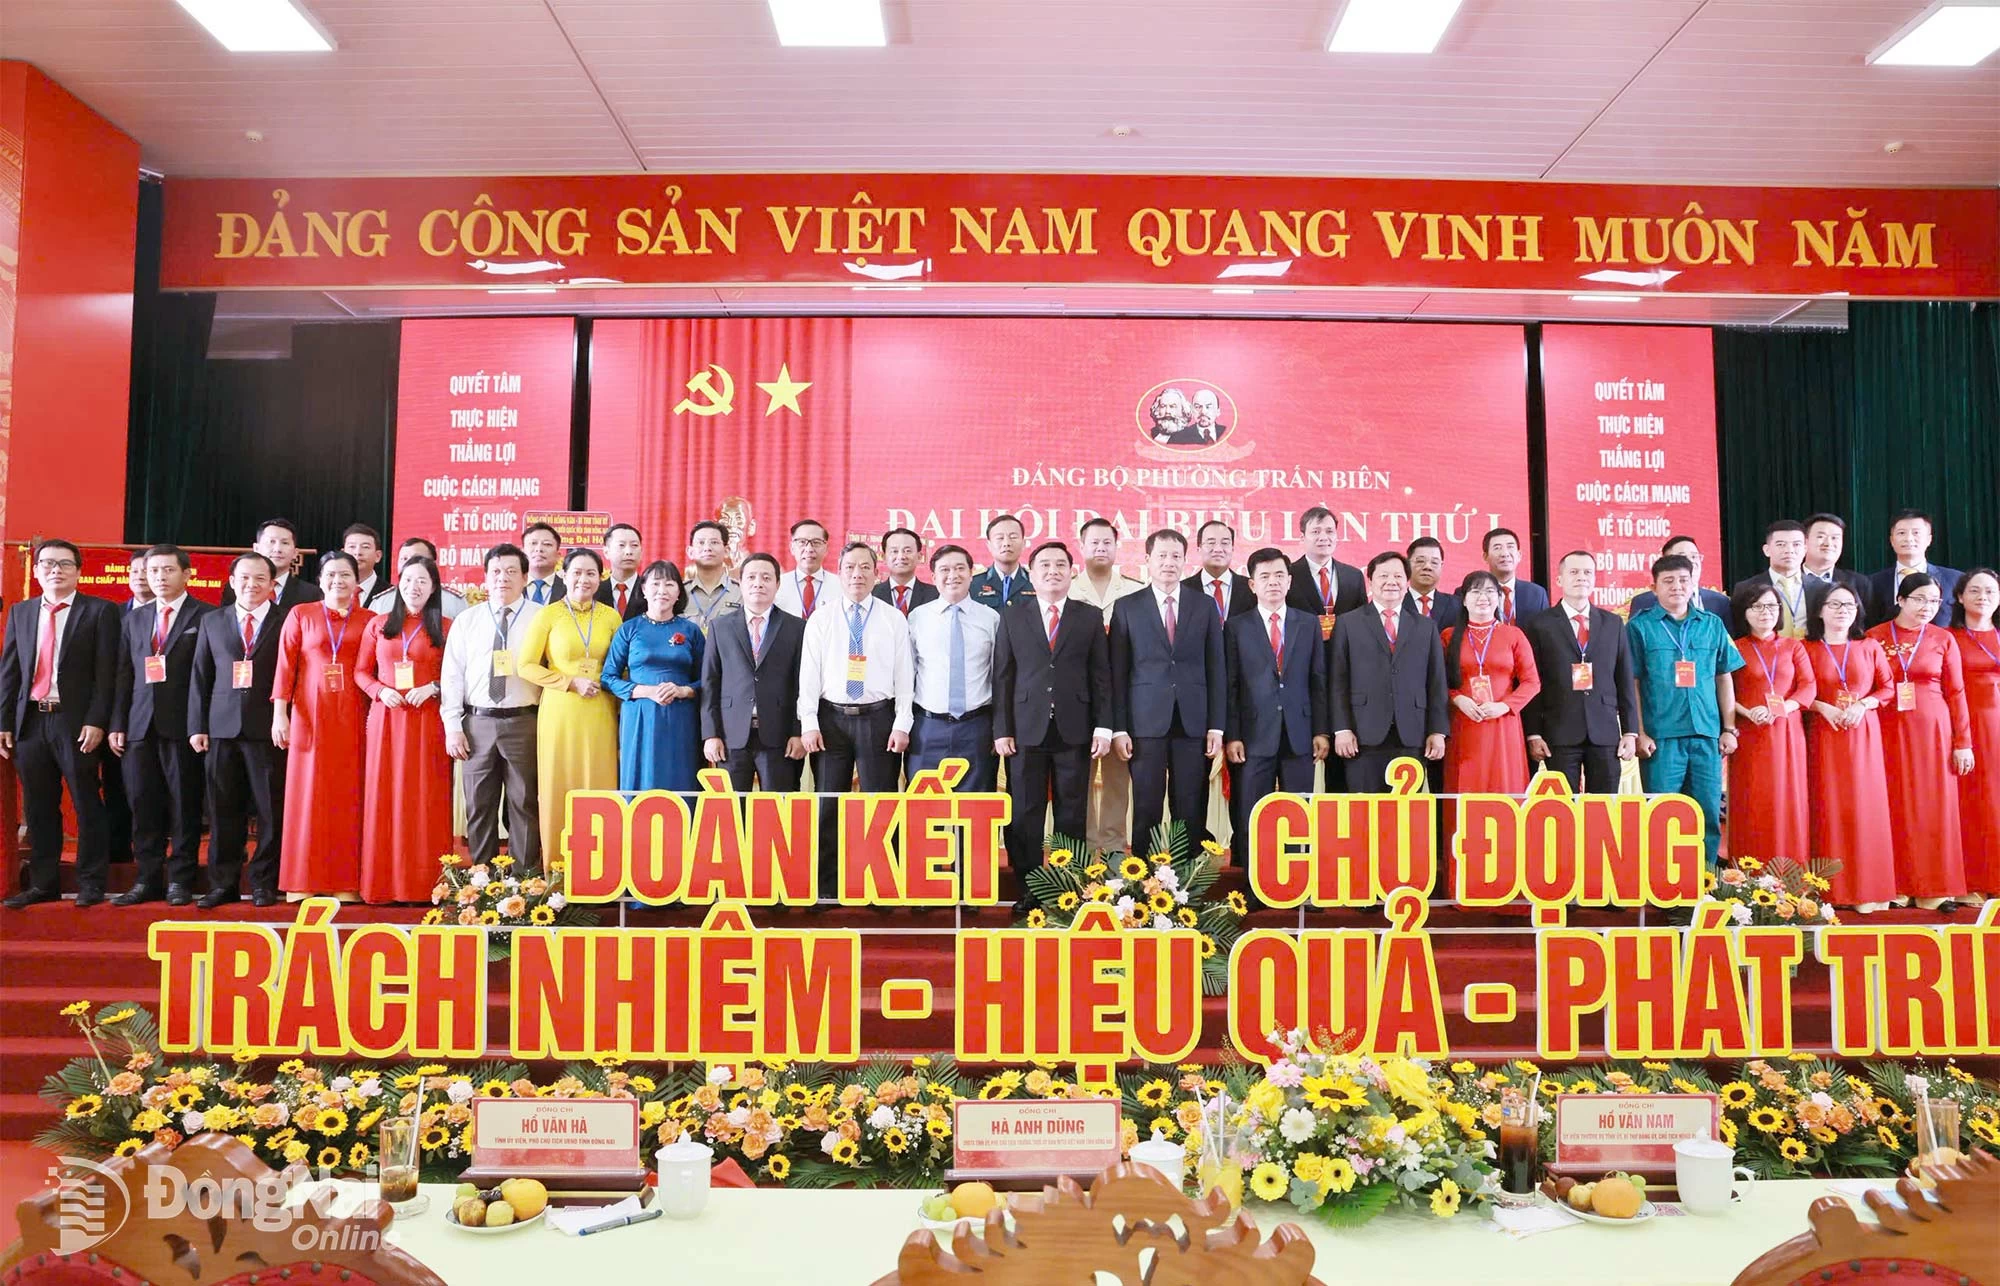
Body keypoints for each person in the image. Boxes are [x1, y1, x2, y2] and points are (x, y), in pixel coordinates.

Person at [0, 539, 119, 909]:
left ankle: (91, 882)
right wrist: (4, 721)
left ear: (79, 571)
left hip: (76, 722)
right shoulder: (21, 612)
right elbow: (10, 671)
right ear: (36, 571)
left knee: (85, 801)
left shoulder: (100, 611)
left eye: (65, 563)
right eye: (48, 563)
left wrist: (97, 720)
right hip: (30, 721)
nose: (56, 570)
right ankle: (44, 883)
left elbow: (107, 673)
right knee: (38, 806)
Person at [993, 540, 1111, 908]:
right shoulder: (1013, 615)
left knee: (1071, 811)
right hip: (1025, 728)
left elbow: (1101, 676)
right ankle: (1029, 888)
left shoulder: (1088, 616)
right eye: (1044, 565)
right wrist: (1002, 729)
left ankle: (1067, 888)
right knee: (1024, 811)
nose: (1053, 571)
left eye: (1060, 564)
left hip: (1075, 727)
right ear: (1032, 573)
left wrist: (1103, 726)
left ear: (1072, 572)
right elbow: (1003, 676)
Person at [799, 542, 914, 888]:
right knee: (828, 802)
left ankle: (882, 883)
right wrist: (809, 723)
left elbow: (904, 676)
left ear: (877, 574)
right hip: (831, 719)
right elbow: (809, 676)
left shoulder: (893, 618)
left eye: (865, 567)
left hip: (878, 719)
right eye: (849, 567)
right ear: (839, 573)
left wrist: (902, 723)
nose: (857, 575)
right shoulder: (822, 618)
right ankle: (826, 885)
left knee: (880, 803)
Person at [1627, 553, 1744, 871]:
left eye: (1683, 580)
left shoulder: (1712, 625)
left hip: (1706, 734)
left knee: (1707, 813)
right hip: (1661, 738)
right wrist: (1640, 732)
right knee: (1662, 813)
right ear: (1654, 587)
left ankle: (1705, 880)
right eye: (1668, 581)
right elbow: (1632, 683)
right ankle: (1662, 881)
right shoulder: (1639, 627)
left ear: (1694, 584)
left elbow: (1724, 677)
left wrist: (1728, 728)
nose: (1677, 586)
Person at [109, 545, 211, 906]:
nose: (159, 577)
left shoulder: (207, 616)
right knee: (143, 804)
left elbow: (207, 677)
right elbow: (123, 674)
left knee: (184, 805)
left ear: (187, 574)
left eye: (168, 570)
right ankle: (147, 879)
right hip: (139, 725)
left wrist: (201, 724)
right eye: (153, 571)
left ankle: (181, 879)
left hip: (184, 726)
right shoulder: (134, 618)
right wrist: (118, 722)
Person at [1111, 529, 1224, 850]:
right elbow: (1118, 674)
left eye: (1176, 556)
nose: (1169, 563)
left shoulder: (1204, 606)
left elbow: (1217, 669)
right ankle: (1142, 873)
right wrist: (1120, 728)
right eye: (1162, 556)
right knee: (1146, 805)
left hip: (1193, 722)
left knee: (1189, 806)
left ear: (1185, 561)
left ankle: (1186, 874)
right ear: (1147, 560)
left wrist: (1216, 726)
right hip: (1144, 723)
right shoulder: (1127, 607)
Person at [271, 551, 374, 899]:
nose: (337, 581)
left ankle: (347, 882)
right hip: (309, 716)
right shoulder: (301, 614)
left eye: (345, 575)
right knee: (307, 795)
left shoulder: (371, 620)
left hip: (356, 717)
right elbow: (285, 666)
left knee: (350, 796)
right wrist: (280, 714)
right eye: (330, 574)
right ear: (320, 579)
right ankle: (303, 880)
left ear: (357, 582)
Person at [1867, 573, 1972, 910]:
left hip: (1933, 731)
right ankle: (1895, 884)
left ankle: (1935, 886)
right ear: (1900, 600)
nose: (1927, 607)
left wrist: (1963, 742)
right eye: (1919, 599)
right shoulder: (1875, 637)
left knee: (1933, 805)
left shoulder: (1943, 638)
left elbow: (1956, 692)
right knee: (1892, 804)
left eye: (1934, 601)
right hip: (1885, 729)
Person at [188, 552, 287, 907]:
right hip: (221, 728)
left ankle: (264, 882)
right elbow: (200, 675)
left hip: (268, 729)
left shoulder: (286, 620)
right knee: (222, 809)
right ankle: (223, 884)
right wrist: (197, 726)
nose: (251, 584)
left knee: (270, 811)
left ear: (272, 584)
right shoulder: (212, 621)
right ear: (231, 581)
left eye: (260, 578)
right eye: (244, 577)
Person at [355, 555, 454, 903]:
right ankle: (383, 884)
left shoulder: (446, 626)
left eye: (423, 581)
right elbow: (360, 672)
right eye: (409, 580)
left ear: (433, 587)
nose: (415, 587)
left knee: (426, 800)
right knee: (385, 797)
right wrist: (379, 691)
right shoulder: (379, 624)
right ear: (399, 583)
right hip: (387, 720)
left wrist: (434, 688)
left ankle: (425, 885)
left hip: (428, 722)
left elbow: (459, 675)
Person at [441, 542, 542, 873]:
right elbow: (452, 676)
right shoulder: (467, 620)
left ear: (525, 578)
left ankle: (525, 879)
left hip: (525, 721)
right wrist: (453, 726)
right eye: (496, 571)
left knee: (524, 803)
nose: (503, 578)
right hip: (477, 723)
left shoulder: (541, 618)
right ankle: (481, 878)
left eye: (511, 571)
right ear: (485, 577)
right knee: (479, 804)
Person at [518, 549, 623, 865]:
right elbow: (526, 666)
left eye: (591, 573)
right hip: (560, 712)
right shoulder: (548, 615)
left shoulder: (611, 617)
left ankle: (601, 869)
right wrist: (568, 682)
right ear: (563, 574)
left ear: (601, 578)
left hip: (601, 711)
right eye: (577, 572)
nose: (583, 579)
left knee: (601, 784)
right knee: (558, 786)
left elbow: (621, 667)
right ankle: (558, 870)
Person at [1802, 582, 1898, 910]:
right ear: (1819, 610)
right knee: (1827, 807)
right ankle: (1831, 889)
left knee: (1864, 808)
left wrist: (1864, 704)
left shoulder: (1869, 646)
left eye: (1849, 605)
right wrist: (1821, 707)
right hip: (1823, 734)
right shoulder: (1805, 648)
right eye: (1835, 604)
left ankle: (1867, 888)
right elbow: (1796, 690)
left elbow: (1887, 688)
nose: (1843, 611)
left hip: (1862, 734)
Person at [1224, 547, 1329, 839]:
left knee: (1299, 813)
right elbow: (1231, 685)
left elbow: (1318, 681)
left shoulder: (1308, 623)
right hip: (1253, 735)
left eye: (1280, 575)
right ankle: (1249, 867)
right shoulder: (1236, 627)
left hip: (1300, 734)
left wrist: (1321, 731)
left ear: (1289, 581)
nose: (1273, 582)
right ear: (1252, 584)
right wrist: (1233, 735)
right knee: (1251, 813)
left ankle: (1298, 867)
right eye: (1265, 576)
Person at [1330, 552, 1449, 793]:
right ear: (1370, 580)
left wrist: (1438, 731)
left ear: (1407, 582)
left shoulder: (1425, 626)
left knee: (1406, 811)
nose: (1391, 582)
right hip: (1362, 734)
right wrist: (1342, 729)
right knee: (1364, 810)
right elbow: (1337, 680)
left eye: (1398, 576)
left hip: (1412, 733)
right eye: (1383, 576)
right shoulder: (1348, 623)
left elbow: (1436, 682)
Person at [1522, 551, 1638, 794]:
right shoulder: (1539, 624)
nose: (1581, 577)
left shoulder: (1613, 623)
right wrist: (1533, 733)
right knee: (1564, 806)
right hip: (1559, 731)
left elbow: (1624, 679)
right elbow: (1532, 682)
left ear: (1594, 579)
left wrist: (1630, 731)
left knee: (1604, 806)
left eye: (1587, 572)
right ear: (1559, 579)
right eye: (1574, 572)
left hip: (1604, 731)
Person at [701, 553, 806, 792]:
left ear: (777, 584)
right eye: (751, 577)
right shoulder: (720, 627)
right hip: (731, 736)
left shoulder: (796, 627)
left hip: (779, 737)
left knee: (778, 808)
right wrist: (711, 734)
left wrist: (797, 731)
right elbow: (710, 683)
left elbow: (801, 684)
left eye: (766, 578)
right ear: (740, 583)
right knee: (733, 809)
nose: (758, 583)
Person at [1070, 517, 1144, 854]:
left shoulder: (1135, 591)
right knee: (1079, 779)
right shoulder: (1068, 588)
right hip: (1078, 697)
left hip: (1121, 696)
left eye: (1107, 542)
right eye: (1094, 542)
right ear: (1081, 546)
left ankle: (1114, 849)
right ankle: (1085, 851)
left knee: (1117, 777)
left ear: (1117, 547)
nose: (1101, 548)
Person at [1725, 583, 1814, 862]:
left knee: (1788, 799)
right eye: (1757, 606)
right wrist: (1747, 711)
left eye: (1772, 606)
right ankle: (1746, 875)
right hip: (1750, 734)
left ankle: (1791, 871)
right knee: (1752, 800)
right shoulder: (1735, 647)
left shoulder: (1793, 646)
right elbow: (1724, 691)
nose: (1766, 612)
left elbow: (1808, 686)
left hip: (1787, 732)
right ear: (1745, 611)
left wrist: (1783, 708)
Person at [905, 544, 1001, 792]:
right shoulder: (917, 618)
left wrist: (998, 727)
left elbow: (999, 677)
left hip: (976, 727)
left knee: (976, 807)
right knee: (923, 807)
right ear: (933, 576)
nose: (953, 575)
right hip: (927, 726)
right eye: (944, 570)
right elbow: (907, 676)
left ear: (971, 573)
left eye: (960, 568)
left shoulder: (990, 618)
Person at [603, 560, 706, 792]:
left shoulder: (691, 631)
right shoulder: (629, 629)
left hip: (681, 717)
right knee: (642, 776)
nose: (662, 590)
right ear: (643, 589)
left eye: (669, 584)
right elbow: (608, 678)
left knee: (680, 777)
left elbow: (708, 679)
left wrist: (683, 690)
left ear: (679, 592)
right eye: (656, 584)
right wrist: (645, 691)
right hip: (640, 715)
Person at [1441, 571, 1540, 795]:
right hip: (1464, 722)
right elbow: (1437, 682)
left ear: (1499, 597)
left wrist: (1505, 705)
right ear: (1464, 599)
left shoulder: (1514, 635)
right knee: (1465, 785)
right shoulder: (1448, 636)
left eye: (1489, 591)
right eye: (1475, 591)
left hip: (1503, 724)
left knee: (1504, 784)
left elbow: (1532, 682)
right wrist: (1458, 699)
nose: (1483, 597)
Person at [1949, 567, 1999, 898]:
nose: (1983, 597)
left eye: (1991, 591)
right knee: (1969, 804)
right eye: (1975, 590)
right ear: (1959, 597)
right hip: (1964, 728)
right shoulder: (1947, 638)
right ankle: (1970, 882)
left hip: (1997, 729)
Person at [1868, 509, 1962, 627]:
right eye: (1901, 533)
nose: (1909, 538)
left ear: (1929, 539)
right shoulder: (1872, 583)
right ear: (1892, 540)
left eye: (1916, 532)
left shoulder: (1955, 579)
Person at [1731, 520, 1812, 639]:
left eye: (1796, 544)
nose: (1789, 550)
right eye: (1781, 544)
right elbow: (1739, 631)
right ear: (1766, 550)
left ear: (1805, 549)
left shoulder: (1821, 588)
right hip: (1763, 650)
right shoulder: (1745, 588)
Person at [1628, 535, 1734, 625]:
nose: (1690, 561)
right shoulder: (1643, 602)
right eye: (1682, 557)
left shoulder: (1720, 602)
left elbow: (1730, 640)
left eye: (1694, 556)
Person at [221, 518, 322, 611]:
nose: (277, 549)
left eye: (285, 543)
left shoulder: (311, 594)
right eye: (271, 541)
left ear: (295, 553)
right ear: (256, 548)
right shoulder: (236, 588)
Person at [367, 538, 467, 619]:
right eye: (404, 559)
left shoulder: (453, 601)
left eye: (417, 558)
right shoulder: (381, 601)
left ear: (433, 564)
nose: (409, 564)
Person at [682, 521, 743, 635]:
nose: (707, 548)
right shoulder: (679, 592)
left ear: (726, 551)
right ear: (690, 552)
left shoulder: (741, 593)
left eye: (714, 542)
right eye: (701, 542)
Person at [1476, 529, 1547, 626]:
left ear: (1519, 555)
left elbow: (1545, 630)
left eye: (1510, 547)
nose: (1505, 553)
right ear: (1485, 556)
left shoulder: (1537, 594)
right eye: (1497, 548)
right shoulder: (1472, 594)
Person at [1186, 521, 1254, 621]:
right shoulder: (1183, 589)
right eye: (1211, 543)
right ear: (1199, 548)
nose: (1218, 549)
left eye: (1225, 543)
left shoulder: (1252, 589)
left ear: (1232, 548)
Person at [1800, 513, 1872, 607]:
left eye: (1834, 538)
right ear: (1804, 541)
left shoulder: (1859, 583)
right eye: (1820, 536)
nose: (1828, 543)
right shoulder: (1787, 579)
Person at [774, 519, 835, 619]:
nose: (809, 549)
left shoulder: (840, 585)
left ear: (826, 548)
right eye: (802, 542)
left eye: (816, 542)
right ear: (792, 548)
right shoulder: (777, 585)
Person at [1403, 537, 1462, 635]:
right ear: (1407, 564)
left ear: (1441, 566)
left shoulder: (1457, 605)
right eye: (1420, 561)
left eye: (1434, 562)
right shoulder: (1394, 604)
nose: (1427, 567)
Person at [971, 513, 1030, 609]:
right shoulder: (973, 583)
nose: (1006, 543)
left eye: (1013, 537)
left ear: (1024, 543)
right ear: (989, 545)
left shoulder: (1036, 581)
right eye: (1000, 538)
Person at [873, 527, 938, 615]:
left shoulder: (936, 595)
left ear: (919, 557)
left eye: (907, 551)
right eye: (894, 551)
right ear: (883, 557)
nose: (901, 556)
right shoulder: (871, 594)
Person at [598, 523, 647, 621]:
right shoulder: (595, 592)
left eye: (634, 545)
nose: (628, 551)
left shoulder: (651, 592)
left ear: (641, 552)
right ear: (606, 552)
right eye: (621, 545)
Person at [521, 521, 567, 607]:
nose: (539, 549)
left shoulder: (568, 588)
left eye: (547, 544)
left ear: (558, 556)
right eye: (533, 543)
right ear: (522, 553)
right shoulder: (511, 586)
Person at [343, 523, 385, 604]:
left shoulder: (391, 594)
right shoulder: (329, 590)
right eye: (352, 546)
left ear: (378, 556)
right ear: (343, 553)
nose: (358, 552)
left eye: (365, 547)